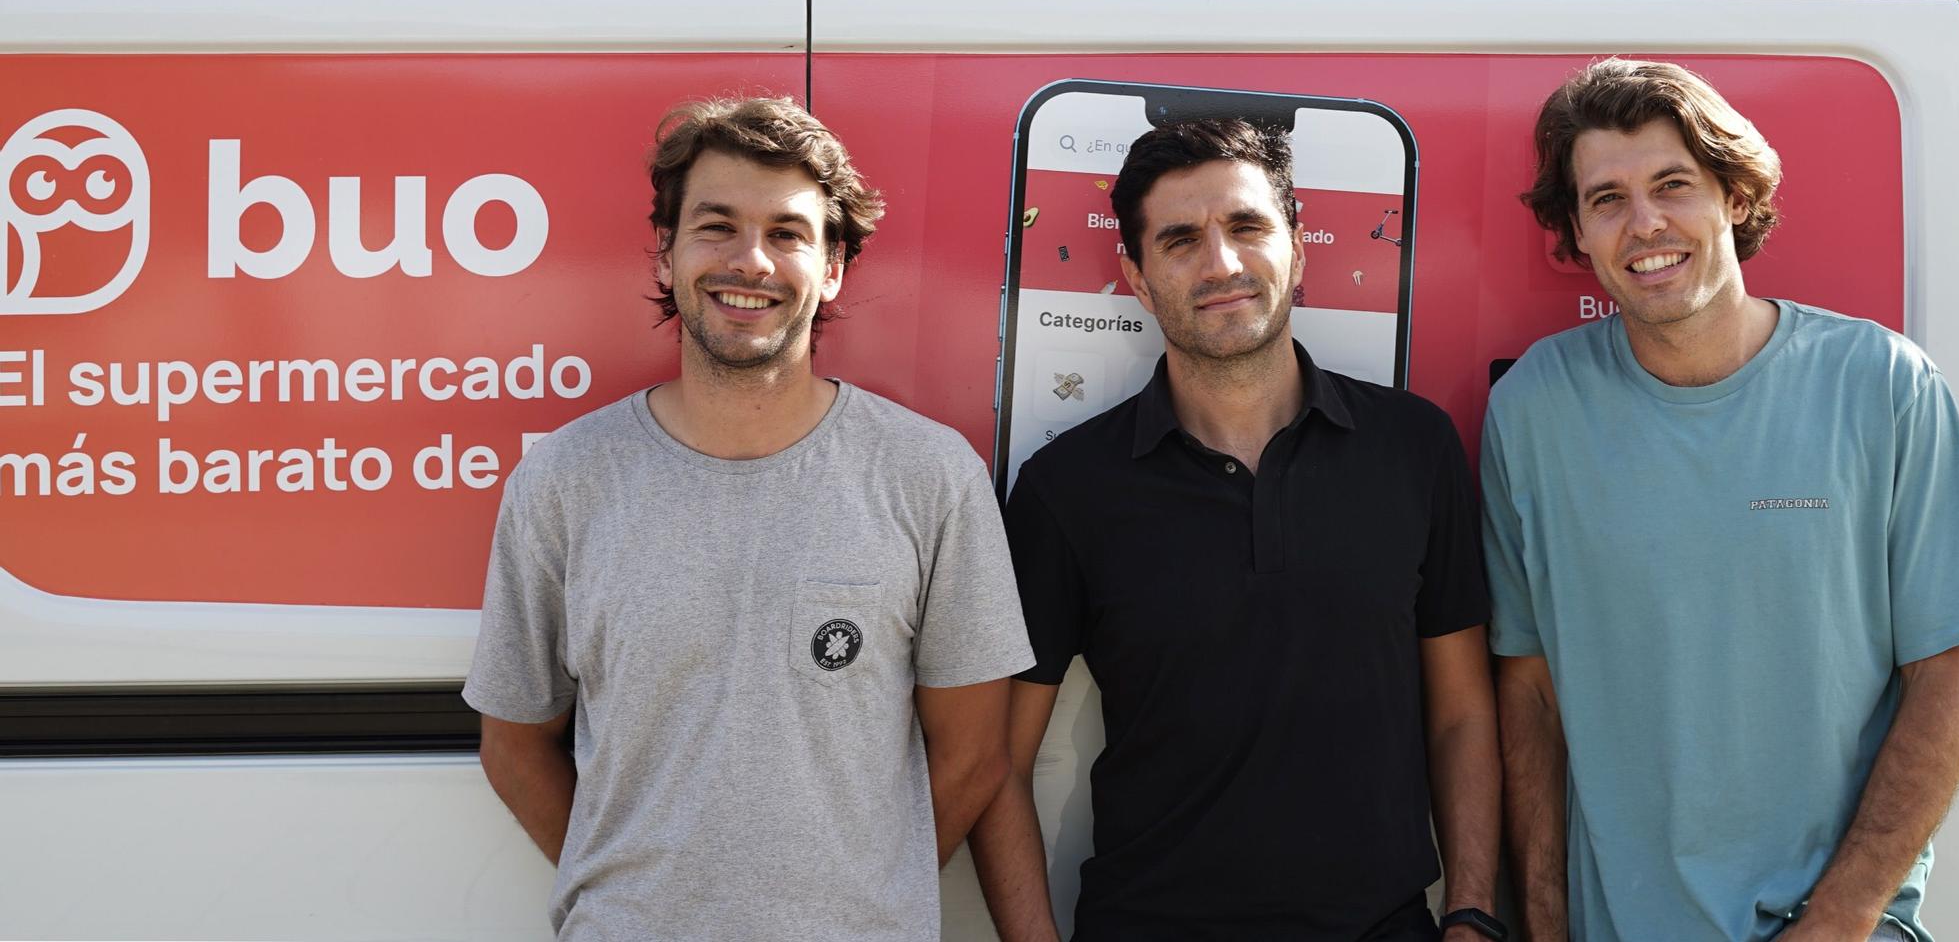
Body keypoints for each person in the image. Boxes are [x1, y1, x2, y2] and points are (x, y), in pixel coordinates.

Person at [464, 95, 1035, 941]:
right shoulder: (565, 480)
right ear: (665, 252)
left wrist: (859, 902)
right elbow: (513, 743)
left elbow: (974, 754)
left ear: (834, 265)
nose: (751, 262)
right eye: (717, 226)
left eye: (788, 234)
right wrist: (632, 904)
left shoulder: (928, 475)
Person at [1484, 59, 1959, 942]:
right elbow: (1527, 690)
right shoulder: (1532, 408)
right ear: (1576, 228)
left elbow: (1950, 672)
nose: (1644, 223)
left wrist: (1839, 919)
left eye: (1673, 185)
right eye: (1606, 198)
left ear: (1734, 194)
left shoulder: (1882, 385)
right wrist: (1541, 919)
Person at [971, 118, 1505, 942]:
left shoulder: (1414, 449)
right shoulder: (1067, 490)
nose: (1221, 264)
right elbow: (997, 761)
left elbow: (1462, 713)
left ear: (1299, 248)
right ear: (1138, 281)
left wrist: (1471, 913)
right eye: (1180, 240)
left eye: (1247, 227)